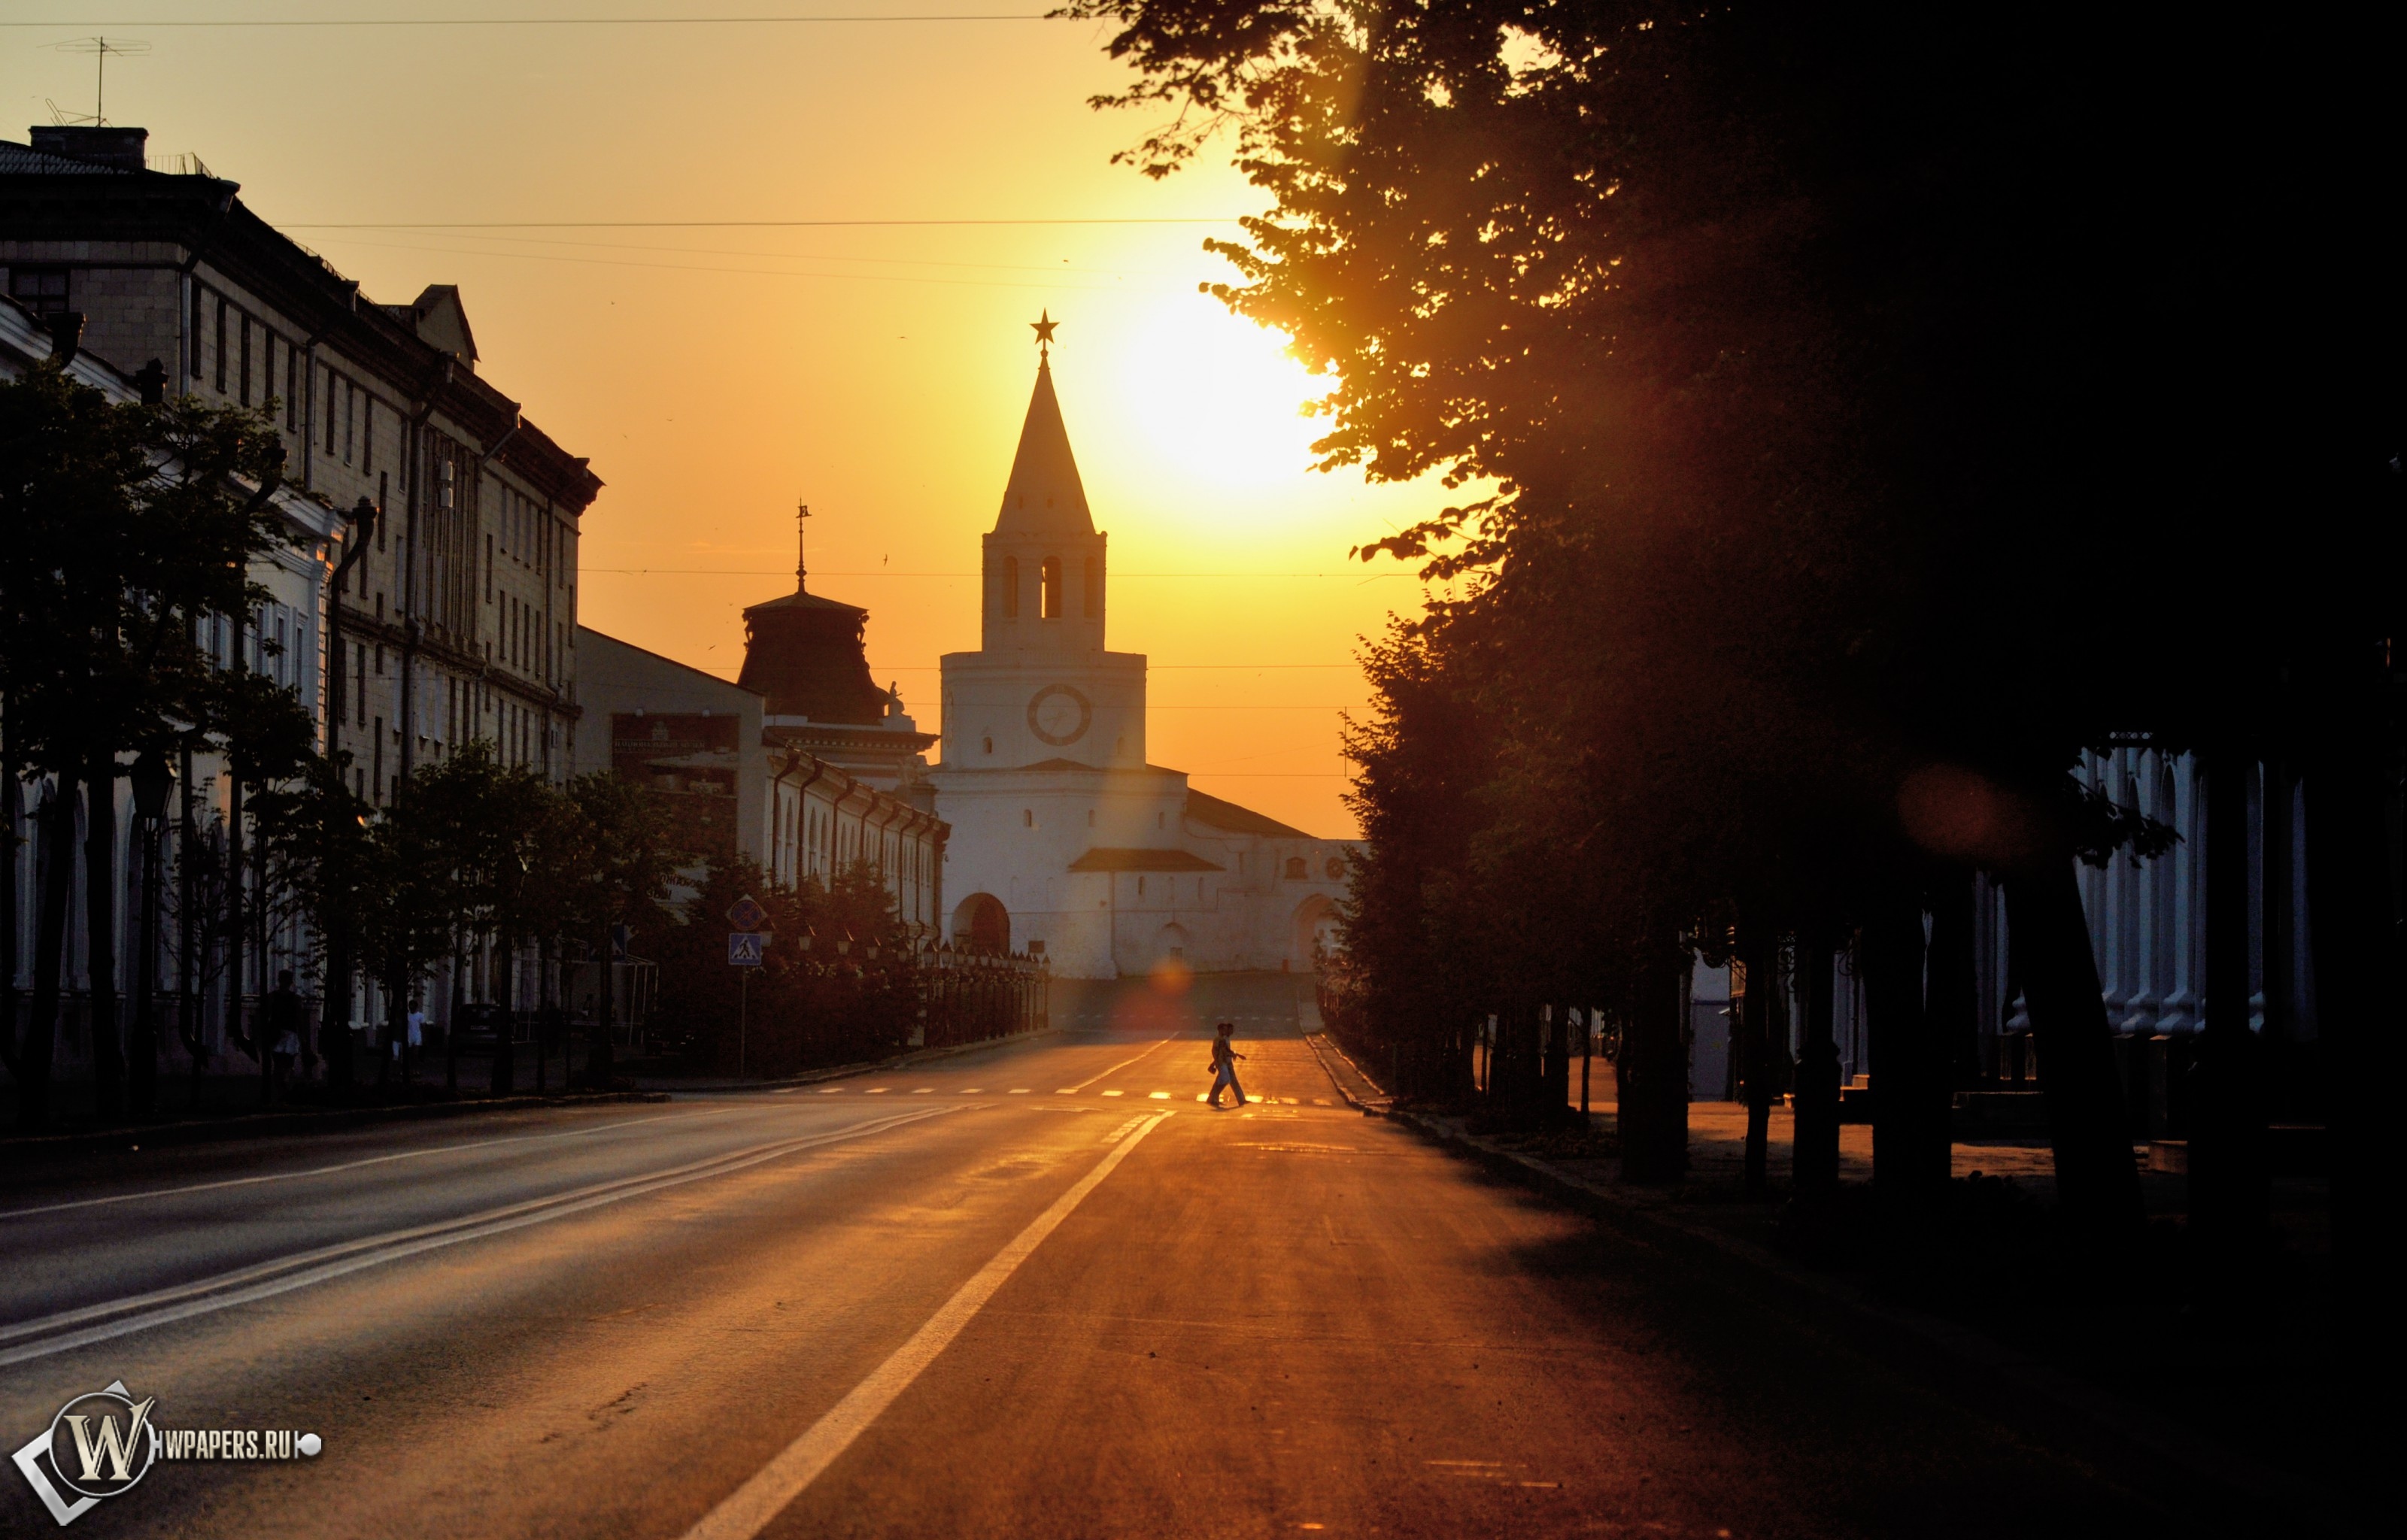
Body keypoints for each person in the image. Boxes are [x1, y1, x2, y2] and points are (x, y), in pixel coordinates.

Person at [264, 969, 304, 1093]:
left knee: (279, 1064)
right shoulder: (295, 999)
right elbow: (299, 1019)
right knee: (287, 1063)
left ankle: (281, 1086)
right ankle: (284, 1085)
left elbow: (266, 1015)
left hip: (276, 1033)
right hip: (288, 1034)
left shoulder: (272, 997)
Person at [1207, 1021, 1249, 1109]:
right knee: (1227, 1080)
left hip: (1225, 1063)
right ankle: (1214, 1098)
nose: (1229, 1031)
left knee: (1225, 1081)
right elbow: (1219, 1051)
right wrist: (1216, 1062)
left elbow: (1224, 1051)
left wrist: (1235, 1055)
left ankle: (1212, 1098)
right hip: (1224, 1063)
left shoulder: (1223, 1039)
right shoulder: (1221, 1039)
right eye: (1226, 1029)